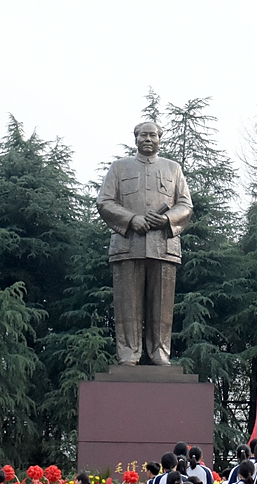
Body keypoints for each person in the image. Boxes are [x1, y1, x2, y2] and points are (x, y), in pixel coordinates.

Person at [96, 120, 193, 366]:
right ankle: (128, 353)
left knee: (162, 306)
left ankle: (160, 352)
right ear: (135, 138)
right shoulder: (119, 168)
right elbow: (105, 202)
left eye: (153, 135)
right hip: (128, 244)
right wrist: (131, 219)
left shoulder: (173, 169)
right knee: (127, 304)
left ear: (160, 139)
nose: (148, 139)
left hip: (164, 246)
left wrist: (166, 219)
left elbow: (185, 205)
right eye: (143, 135)